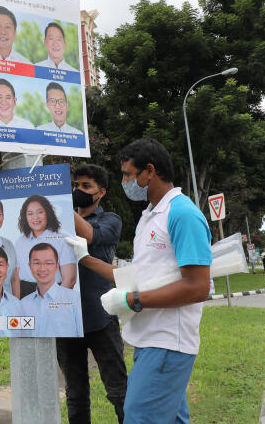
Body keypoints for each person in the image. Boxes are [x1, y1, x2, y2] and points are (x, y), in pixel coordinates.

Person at [70, 138, 212, 424]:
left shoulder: (182, 214)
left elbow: (198, 287)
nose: (125, 182)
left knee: (139, 418)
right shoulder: (149, 217)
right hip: (148, 340)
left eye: (128, 174)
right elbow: (135, 278)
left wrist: (131, 300)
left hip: (167, 342)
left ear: (149, 171)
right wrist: (85, 258)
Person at [56, 164, 127, 424]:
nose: (78, 191)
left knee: (118, 390)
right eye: (76, 186)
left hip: (101, 319)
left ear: (101, 193)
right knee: (75, 393)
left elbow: (87, 235)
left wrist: (60, 201)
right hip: (66, 320)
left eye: (86, 187)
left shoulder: (110, 221)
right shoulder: (58, 221)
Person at [13, 194, 76, 298]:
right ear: (25, 217)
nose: (35, 217)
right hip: (24, 294)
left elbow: (70, 279)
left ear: (48, 213)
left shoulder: (62, 240)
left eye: (40, 212)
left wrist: (55, 304)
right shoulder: (20, 242)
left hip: (54, 293)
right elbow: (15, 278)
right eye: (30, 214)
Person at [20, 242, 83, 337]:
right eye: (36, 263)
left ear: (57, 266)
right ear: (30, 266)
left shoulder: (74, 299)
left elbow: (81, 336)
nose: (42, 268)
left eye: (48, 263)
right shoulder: (23, 303)